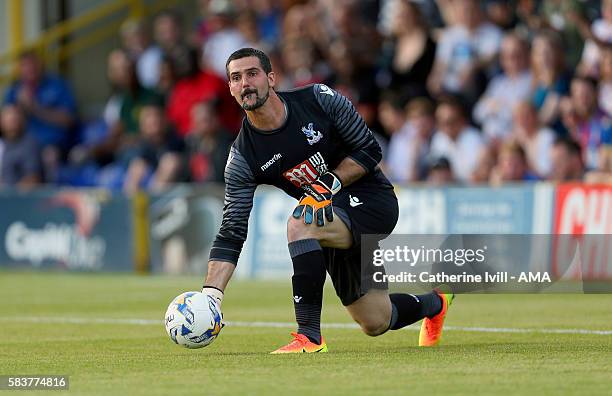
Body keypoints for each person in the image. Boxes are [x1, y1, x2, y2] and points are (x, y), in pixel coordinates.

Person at [200, 48, 453, 353]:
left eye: (252, 74)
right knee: (375, 321)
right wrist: (211, 295)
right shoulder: (242, 157)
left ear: (270, 78)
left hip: (371, 200)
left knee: (299, 223)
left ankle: (309, 337)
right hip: (328, 220)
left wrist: (328, 183)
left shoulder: (318, 99)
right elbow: (232, 230)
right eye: (236, 78)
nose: (245, 84)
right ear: (230, 88)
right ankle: (436, 302)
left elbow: (370, 150)